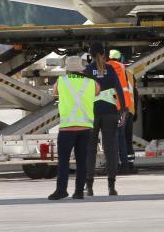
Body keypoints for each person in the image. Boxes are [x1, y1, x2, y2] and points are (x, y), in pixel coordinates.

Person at [48, 55, 100, 200]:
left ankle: (61, 190)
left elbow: (55, 93)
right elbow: (97, 92)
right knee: (82, 161)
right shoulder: (92, 83)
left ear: (68, 70)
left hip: (67, 128)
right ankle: (78, 192)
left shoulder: (61, 81)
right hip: (85, 128)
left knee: (63, 161)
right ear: (81, 69)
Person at [84, 41, 126, 197]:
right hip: (110, 113)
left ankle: (89, 187)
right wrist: (124, 110)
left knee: (90, 150)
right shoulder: (110, 69)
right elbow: (119, 89)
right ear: (103, 54)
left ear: (91, 55)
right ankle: (111, 187)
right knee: (111, 150)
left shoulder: (88, 70)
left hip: (92, 114)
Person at [107, 49, 138, 174]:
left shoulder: (110, 70)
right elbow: (134, 93)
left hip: (118, 108)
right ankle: (130, 165)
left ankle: (121, 164)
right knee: (127, 138)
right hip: (129, 108)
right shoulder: (129, 73)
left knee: (119, 138)